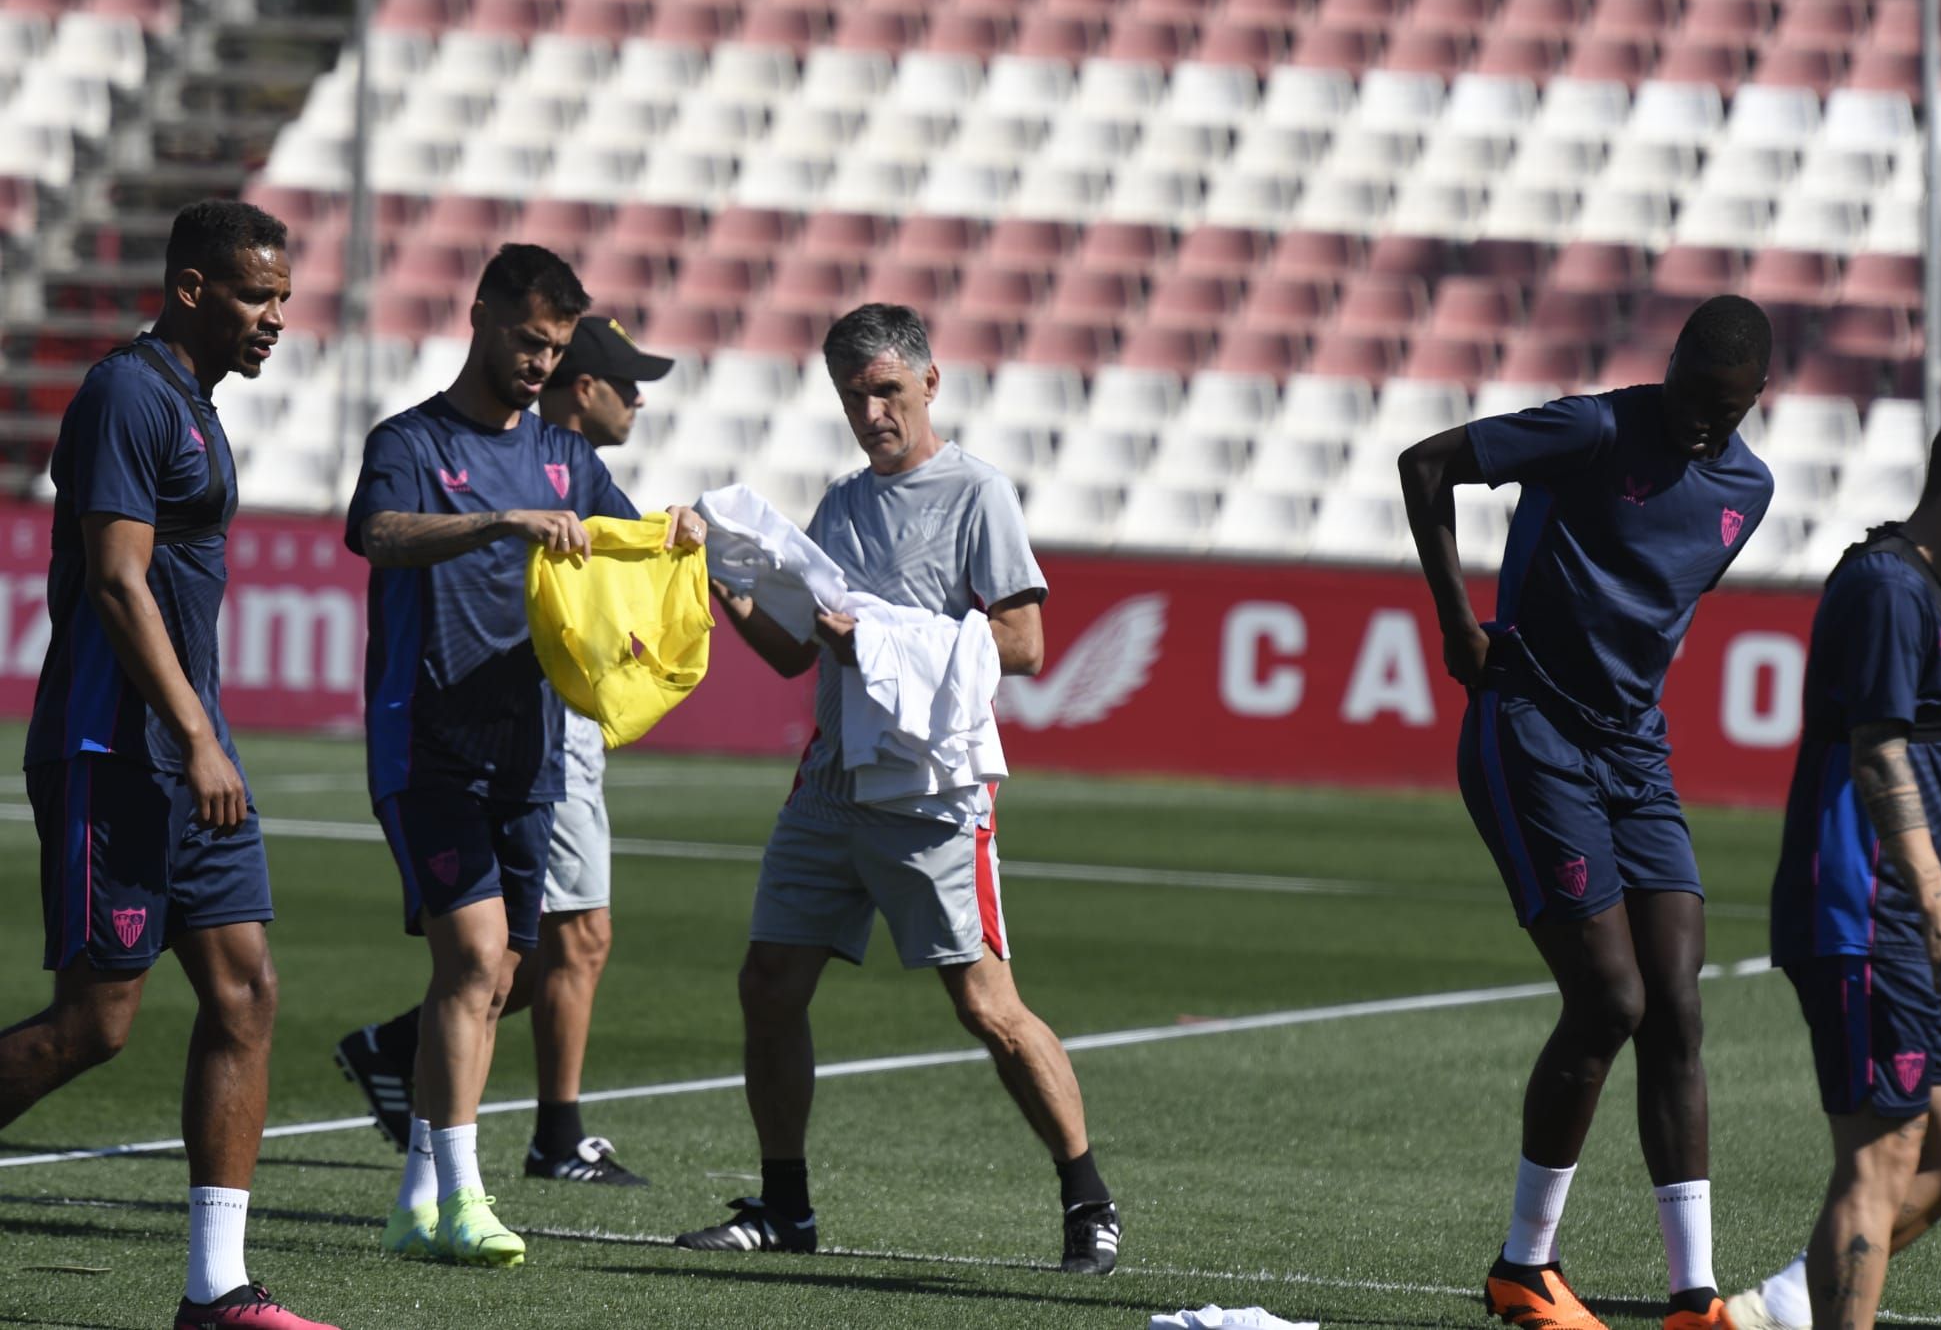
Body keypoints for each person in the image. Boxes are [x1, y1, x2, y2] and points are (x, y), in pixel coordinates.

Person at [674, 302, 1121, 1274]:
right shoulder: (840, 503)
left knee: (987, 1008)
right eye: (851, 394)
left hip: (928, 790)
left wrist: (873, 639)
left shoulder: (976, 493)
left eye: (884, 389)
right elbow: (797, 653)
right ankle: (785, 1207)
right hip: (831, 784)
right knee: (768, 984)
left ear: (929, 382)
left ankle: (1087, 1196)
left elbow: (1027, 645)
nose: (870, 410)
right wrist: (720, 574)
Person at [1398, 296, 1777, 1330]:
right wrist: (1453, 625)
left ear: (1755, 401)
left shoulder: (1748, 487)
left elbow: (1644, 604)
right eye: (1695, 398)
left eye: (1729, 409)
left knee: (1676, 1002)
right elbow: (1423, 464)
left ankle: (1692, 1295)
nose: (1706, 425)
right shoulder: (1594, 427)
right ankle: (1523, 1267)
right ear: (1671, 368)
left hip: (1633, 753)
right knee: (1608, 1000)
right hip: (1528, 730)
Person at [0, 200, 336, 1330]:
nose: (276, 318)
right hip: (116, 747)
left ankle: (216, 1293)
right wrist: (193, 734)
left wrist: (205, 735)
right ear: (190, 288)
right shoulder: (127, 394)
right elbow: (116, 580)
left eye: (283, 296)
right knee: (96, 1024)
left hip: (193, 747)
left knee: (246, 993)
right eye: (256, 294)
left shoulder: (193, 402)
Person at [345, 248, 707, 1268]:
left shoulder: (562, 453)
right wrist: (493, 524)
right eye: (529, 340)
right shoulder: (412, 441)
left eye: (556, 347)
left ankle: (418, 1198)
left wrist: (670, 530)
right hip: (428, 743)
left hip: (530, 752)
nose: (542, 362)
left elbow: (624, 539)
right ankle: (464, 1195)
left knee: (498, 973)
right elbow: (376, 535)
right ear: (482, 317)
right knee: (467, 961)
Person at [1723, 405, 1941, 1330]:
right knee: (1882, 1157)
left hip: (1909, 910)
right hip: (1864, 907)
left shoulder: (1928, 585)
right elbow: (1876, 755)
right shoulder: (1886, 588)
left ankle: (1791, 1299)